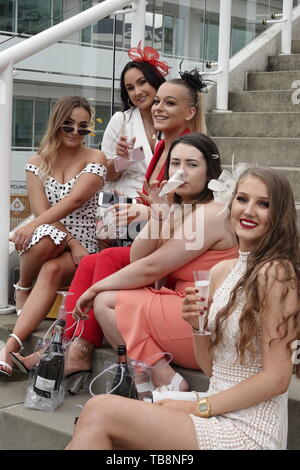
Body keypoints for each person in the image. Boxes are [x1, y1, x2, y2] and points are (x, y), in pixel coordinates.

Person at [66, 166, 300, 451]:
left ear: (280, 215)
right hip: (215, 406)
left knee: (100, 411)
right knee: (98, 422)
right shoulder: (222, 271)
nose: (249, 210)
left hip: (249, 428)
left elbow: (277, 379)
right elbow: (210, 368)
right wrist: (196, 327)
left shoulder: (276, 274)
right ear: (230, 204)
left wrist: (199, 406)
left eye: (263, 204)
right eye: (242, 199)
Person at [11, 71, 210, 381]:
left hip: (180, 255)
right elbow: (124, 178)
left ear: (190, 112)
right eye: (157, 101)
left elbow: (196, 216)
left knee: (100, 259)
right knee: (93, 260)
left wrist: (146, 214)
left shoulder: (189, 152)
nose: (157, 107)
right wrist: (139, 209)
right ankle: (65, 343)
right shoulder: (160, 148)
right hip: (155, 241)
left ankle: (80, 348)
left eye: (168, 102)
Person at [65, 133, 237, 391]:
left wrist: (95, 288)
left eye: (192, 165)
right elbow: (138, 257)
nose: (181, 172)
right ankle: (163, 377)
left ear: (209, 172)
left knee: (105, 302)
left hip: (204, 320)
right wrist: (158, 216)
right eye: (176, 163)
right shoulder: (182, 208)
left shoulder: (212, 213)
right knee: (110, 295)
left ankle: (161, 377)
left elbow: (153, 267)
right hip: (187, 311)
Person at [0, 95, 107, 377]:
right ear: (57, 124)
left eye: (83, 127)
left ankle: (8, 348)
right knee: (47, 236)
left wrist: (70, 242)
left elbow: (73, 201)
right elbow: (40, 210)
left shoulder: (95, 158)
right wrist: (64, 239)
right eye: (68, 125)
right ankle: (22, 288)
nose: (75, 132)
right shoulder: (37, 162)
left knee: (49, 268)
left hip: (84, 242)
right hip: (53, 235)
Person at [102, 42, 169, 198]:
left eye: (142, 82)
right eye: (130, 88)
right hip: (122, 200)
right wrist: (123, 159)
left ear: (155, 81)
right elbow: (106, 175)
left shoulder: (173, 118)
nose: (137, 92)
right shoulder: (121, 120)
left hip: (162, 202)